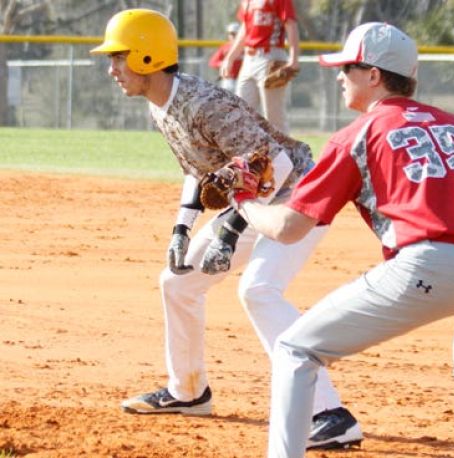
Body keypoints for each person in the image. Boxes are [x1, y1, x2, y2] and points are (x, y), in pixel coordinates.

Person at [224, 22, 454, 458]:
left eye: (347, 68)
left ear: (373, 75)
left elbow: (287, 228)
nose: (340, 77)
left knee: (295, 350)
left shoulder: (357, 134)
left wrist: (243, 200)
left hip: (425, 265)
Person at [89, 8, 363, 450]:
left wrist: (229, 232)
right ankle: (188, 391)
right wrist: (182, 228)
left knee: (258, 290)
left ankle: (330, 414)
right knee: (177, 282)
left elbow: (275, 164)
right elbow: (200, 170)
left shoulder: (203, 104)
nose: (112, 68)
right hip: (256, 199)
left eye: (118, 57)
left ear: (145, 56)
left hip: (297, 195)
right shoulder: (162, 106)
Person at [220, 0, 299, 133]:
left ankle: (283, 147)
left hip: (270, 57)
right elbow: (245, 28)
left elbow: (290, 24)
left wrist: (294, 58)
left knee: (274, 118)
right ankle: (248, 146)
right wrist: (230, 58)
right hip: (249, 59)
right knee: (240, 113)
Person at [208, 22, 243, 93]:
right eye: (231, 34)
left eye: (235, 33)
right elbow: (212, 62)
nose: (233, 36)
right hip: (229, 80)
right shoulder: (225, 47)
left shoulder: (246, 47)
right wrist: (223, 63)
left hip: (243, 79)